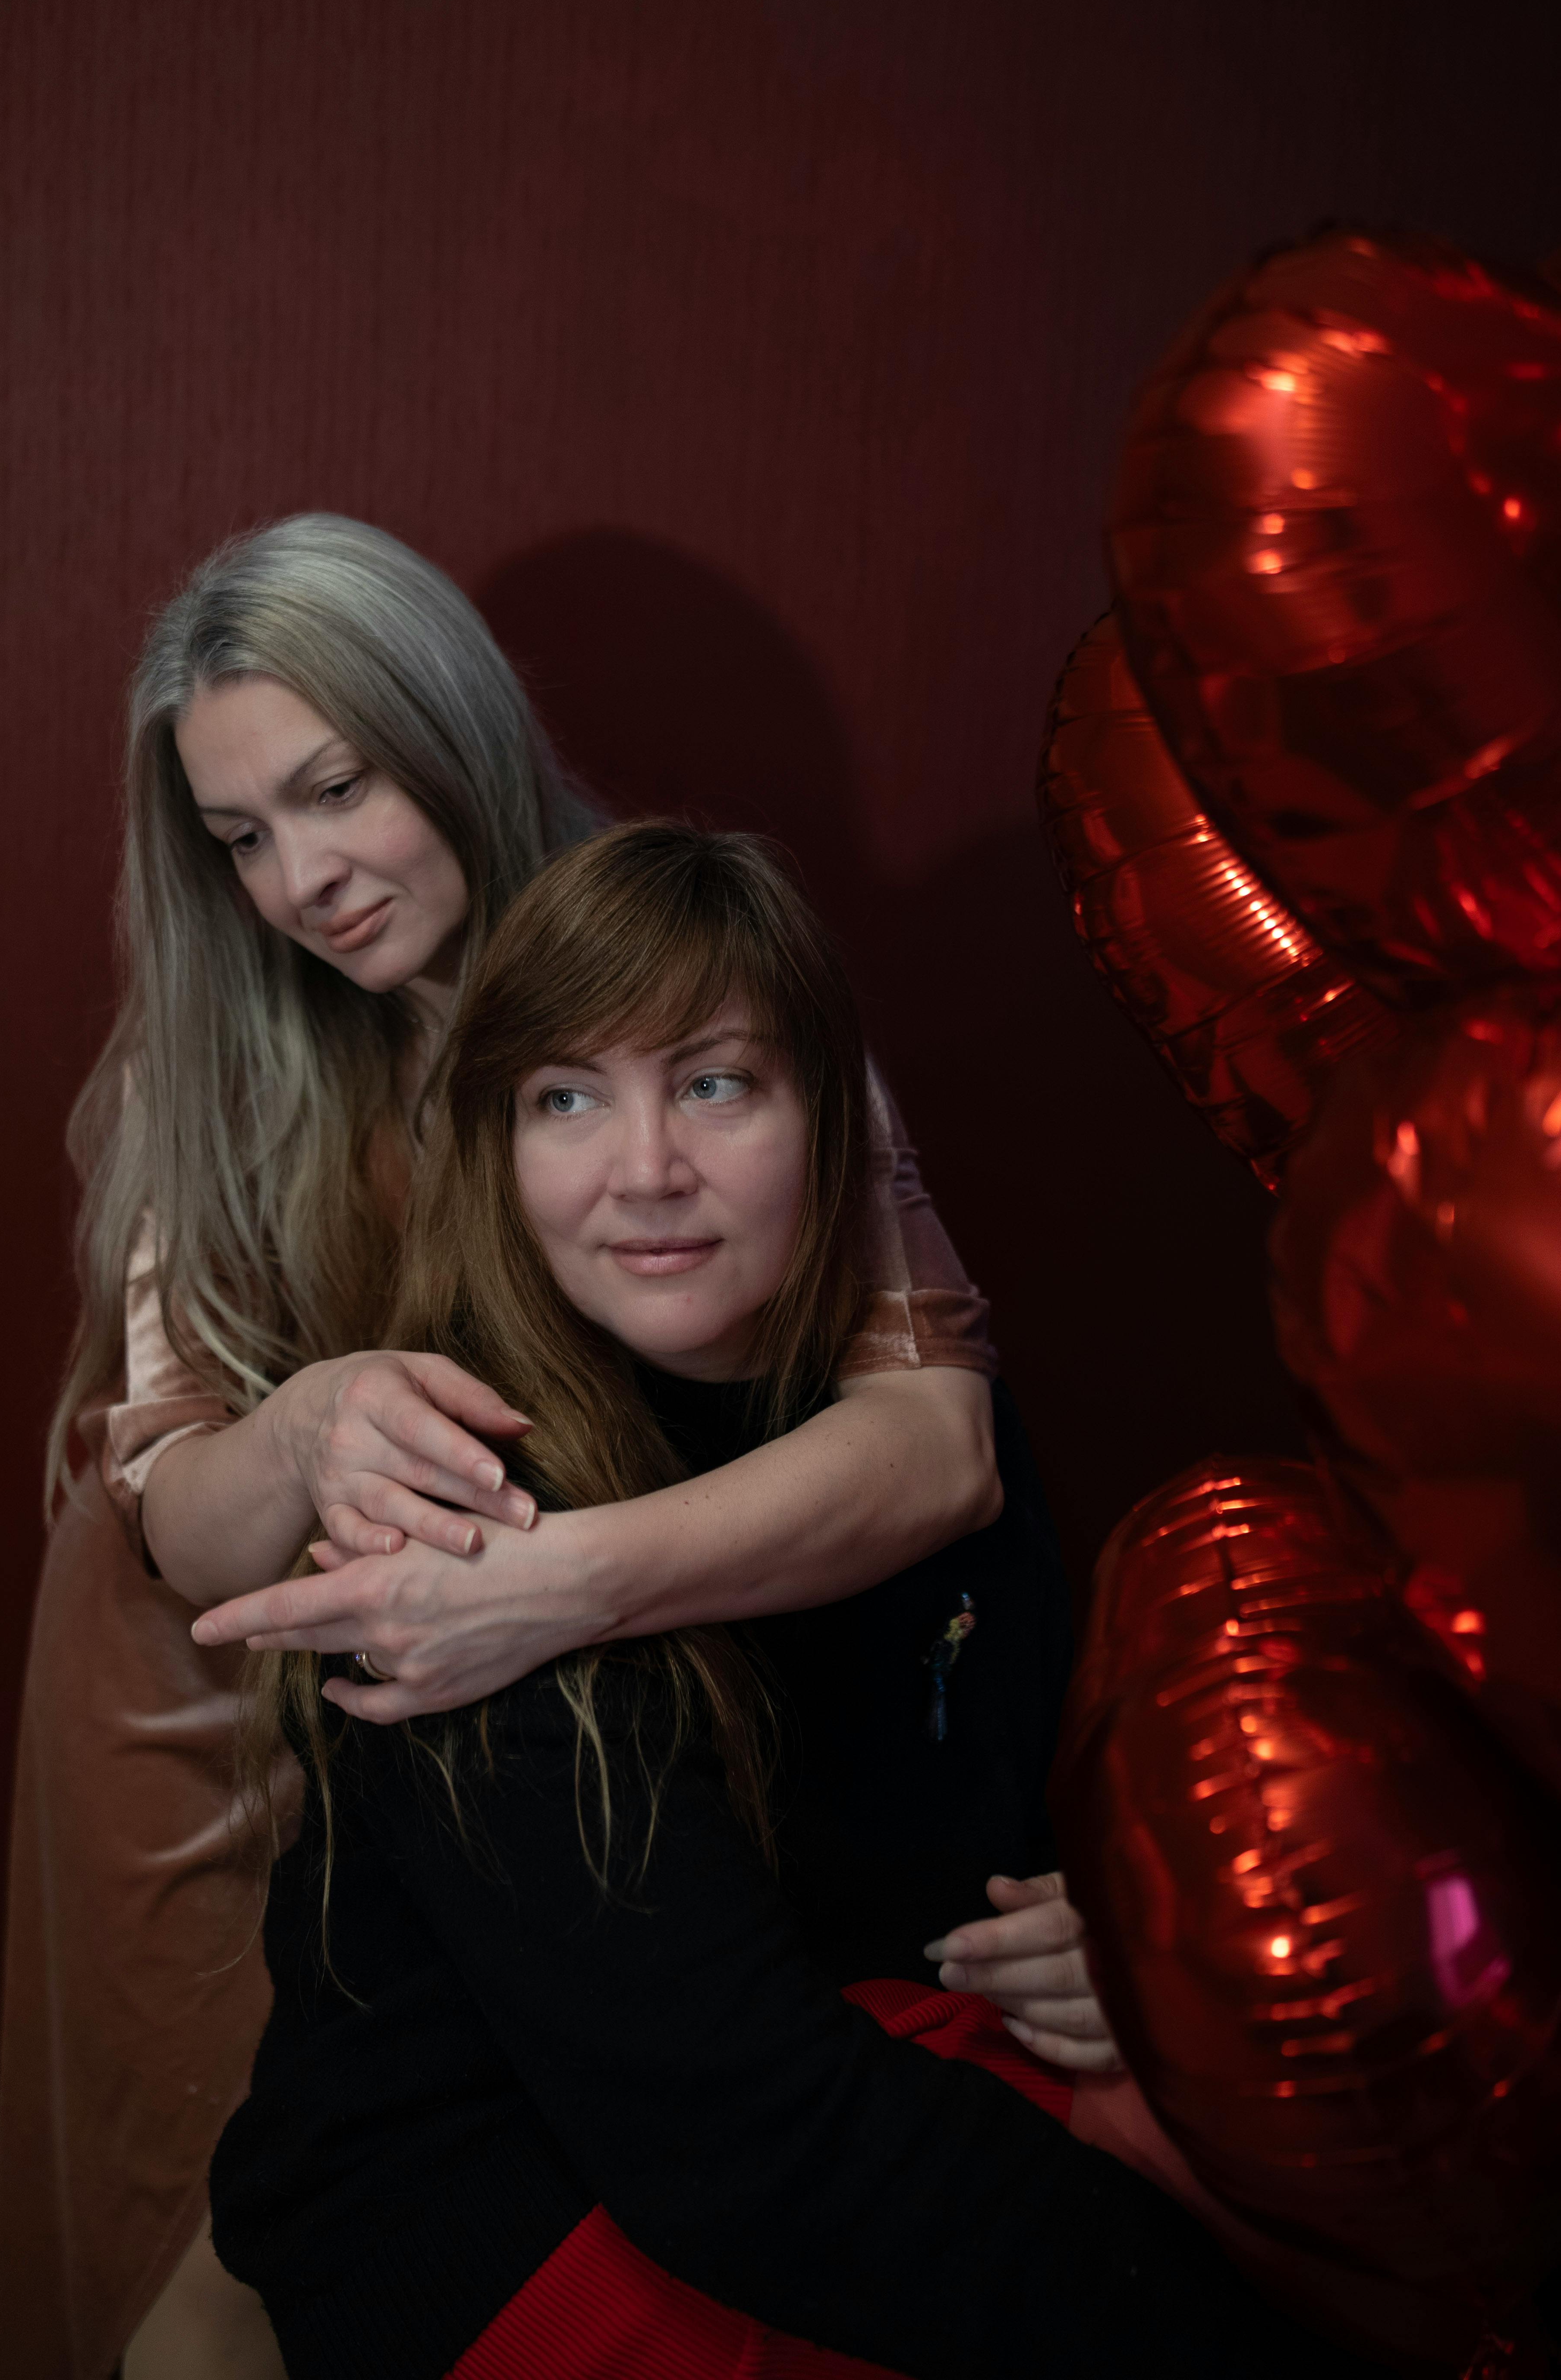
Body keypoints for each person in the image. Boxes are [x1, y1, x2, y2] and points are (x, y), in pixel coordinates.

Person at [0, 514, 1099, 2380]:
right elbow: (173, 1505)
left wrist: (551, 1595)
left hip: (587, 1720)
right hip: (231, 1717)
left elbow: (940, 1441)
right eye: (241, 835)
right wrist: (312, 1418)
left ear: (453, 724)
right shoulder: (224, 1060)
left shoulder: (689, 965)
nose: (306, 881)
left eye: (338, 788)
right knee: (221, 2258)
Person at [210, 821, 1378, 2380]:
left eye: (712, 1083)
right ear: (495, 1147)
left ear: (834, 1119)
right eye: (566, 1098)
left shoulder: (904, 1422)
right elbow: (747, 2147)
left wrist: (1119, 1951)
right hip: (496, 2220)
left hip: (795, 2088)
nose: (644, 1173)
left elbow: (973, 1827)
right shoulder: (461, 1515)